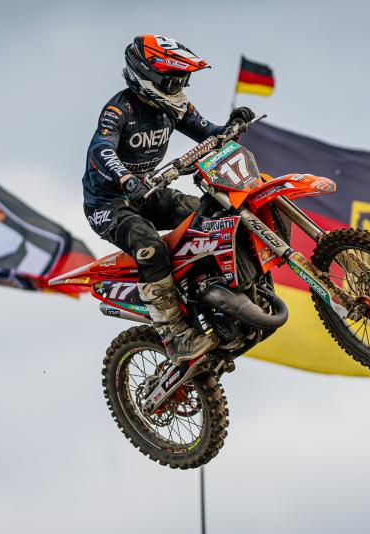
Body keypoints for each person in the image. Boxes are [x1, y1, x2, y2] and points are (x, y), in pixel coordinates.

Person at [82, 34, 254, 363]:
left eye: (182, 80)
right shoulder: (119, 109)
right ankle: (174, 334)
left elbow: (209, 132)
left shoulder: (172, 108)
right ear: (146, 77)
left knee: (213, 214)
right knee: (150, 247)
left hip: (149, 192)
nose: (178, 87)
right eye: (172, 80)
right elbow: (101, 149)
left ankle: (216, 291)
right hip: (109, 203)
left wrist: (234, 124)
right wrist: (125, 178)